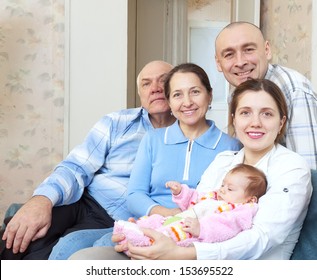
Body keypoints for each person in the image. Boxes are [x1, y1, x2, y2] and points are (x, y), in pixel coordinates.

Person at [70, 78, 312, 260]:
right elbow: (196, 211)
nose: (255, 122)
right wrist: (152, 228)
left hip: (239, 266)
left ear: (281, 122)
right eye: (245, 113)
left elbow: (261, 238)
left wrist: (179, 254)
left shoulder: (292, 168)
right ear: (234, 119)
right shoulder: (224, 161)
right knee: (85, 260)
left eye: (267, 114)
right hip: (184, 253)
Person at [50, 62, 241, 259]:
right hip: (149, 224)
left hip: (193, 233)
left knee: (101, 246)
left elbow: (231, 201)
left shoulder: (231, 147)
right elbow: (134, 195)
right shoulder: (154, 139)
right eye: (177, 95)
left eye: (195, 92)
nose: (187, 102)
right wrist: (167, 213)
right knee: (68, 244)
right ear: (169, 100)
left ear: (209, 95)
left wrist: (184, 220)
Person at [0, 60, 177, 260]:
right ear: (140, 93)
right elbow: (76, 167)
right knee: (15, 240)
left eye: (163, 81)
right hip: (82, 201)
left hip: (116, 222)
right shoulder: (117, 122)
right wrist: (42, 200)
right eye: (146, 84)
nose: (155, 88)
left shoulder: (188, 140)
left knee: (57, 255)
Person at [215, 21, 317, 169]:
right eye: (229, 54)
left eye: (248, 50)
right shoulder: (235, 94)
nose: (240, 62)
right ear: (219, 63)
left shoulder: (295, 90)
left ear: (267, 50)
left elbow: (310, 172)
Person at [113, 163, 267, 247]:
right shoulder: (214, 197)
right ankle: (135, 229)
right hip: (178, 218)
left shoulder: (238, 212)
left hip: (190, 232)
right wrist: (180, 192)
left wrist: (201, 229)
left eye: (230, 188)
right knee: (155, 220)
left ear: (250, 199)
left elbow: (225, 228)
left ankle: (139, 240)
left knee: (168, 234)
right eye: (223, 184)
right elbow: (195, 200)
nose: (223, 189)